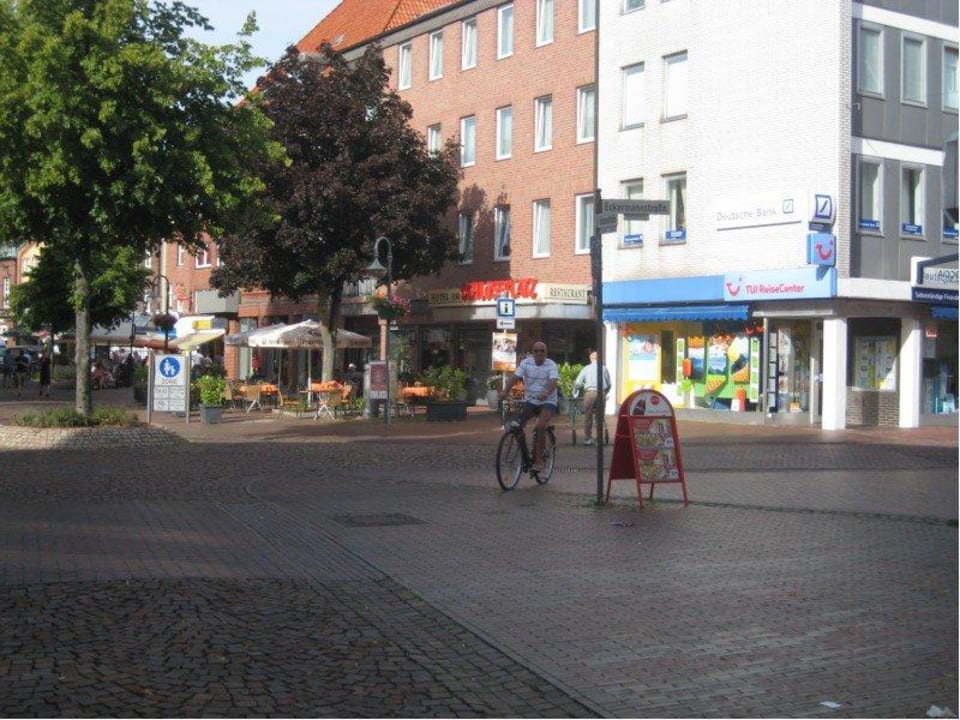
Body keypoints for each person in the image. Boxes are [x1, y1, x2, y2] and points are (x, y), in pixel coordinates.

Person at [499, 340, 559, 472]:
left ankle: (539, 460)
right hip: (531, 401)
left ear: (546, 353)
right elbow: (514, 377)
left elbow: (554, 381)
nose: (539, 353)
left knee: (540, 426)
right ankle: (523, 451)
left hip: (547, 402)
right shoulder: (526, 363)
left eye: (542, 351)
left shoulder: (551, 365)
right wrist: (505, 391)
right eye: (536, 351)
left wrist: (547, 392)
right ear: (532, 353)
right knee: (516, 423)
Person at [573, 350, 611, 446]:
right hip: (600, 393)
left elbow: (578, 383)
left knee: (588, 416)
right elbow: (609, 384)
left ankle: (587, 439)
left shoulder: (586, 368)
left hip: (590, 393)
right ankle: (599, 439)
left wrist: (575, 391)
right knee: (599, 417)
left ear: (590, 359)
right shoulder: (604, 369)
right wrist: (605, 393)